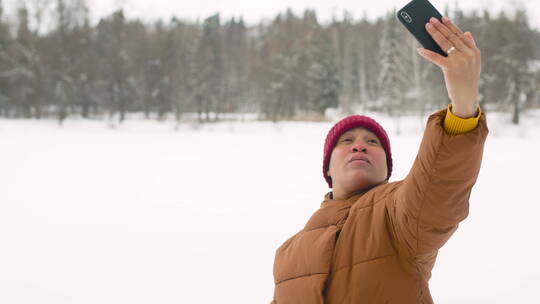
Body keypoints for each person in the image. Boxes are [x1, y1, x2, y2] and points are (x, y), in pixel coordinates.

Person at [270, 16, 488, 304]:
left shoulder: (397, 214)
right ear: (327, 168)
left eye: (373, 143)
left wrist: (462, 106)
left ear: (387, 169)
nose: (360, 146)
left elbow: (439, 189)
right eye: (346, 141)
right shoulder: (288, 252)